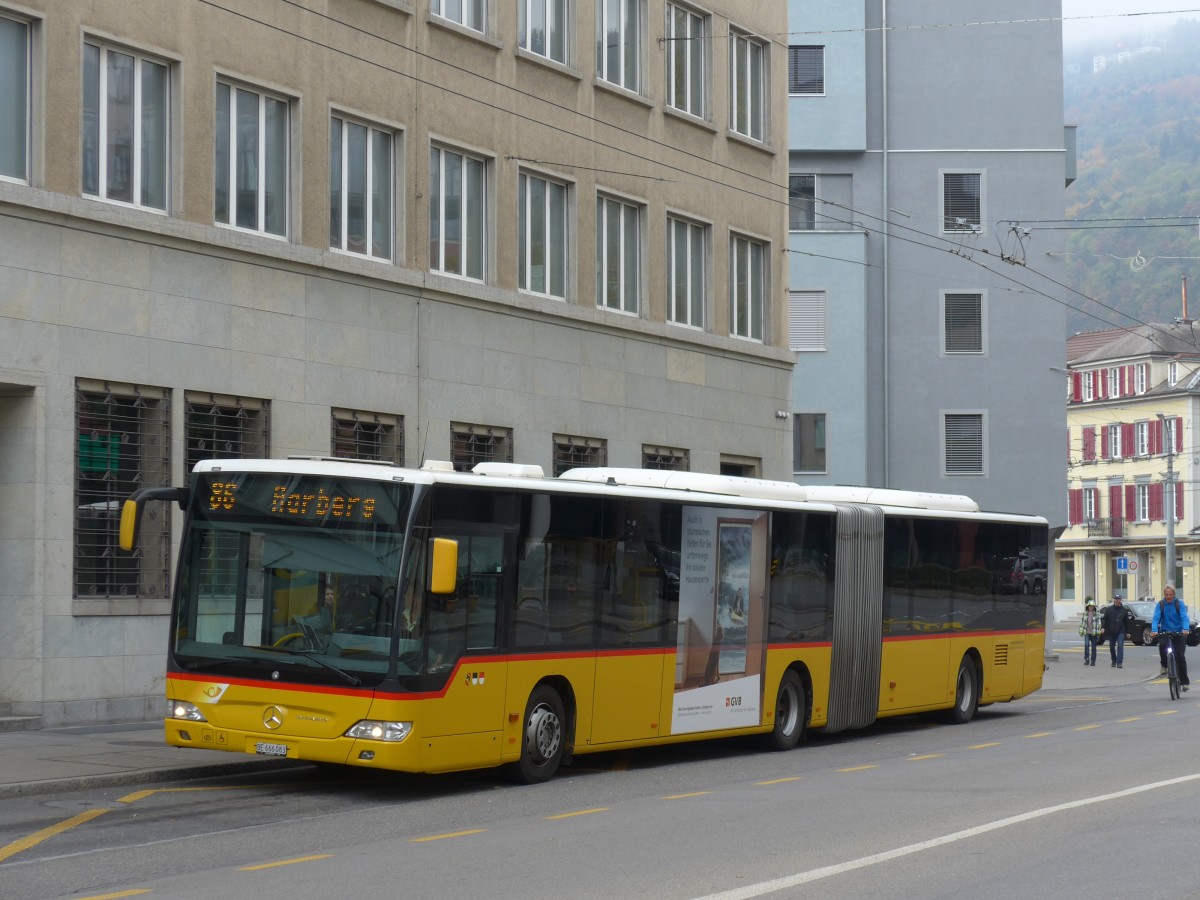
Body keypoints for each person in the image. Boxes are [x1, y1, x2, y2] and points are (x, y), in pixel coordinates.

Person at [1151, 584, 1191, 691]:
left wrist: (1185, 629)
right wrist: (1154, 630)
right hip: (1166, 631)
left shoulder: (1179, 603)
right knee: (1163, 645)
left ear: (1174, 595)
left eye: (1170, 594)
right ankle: (1164, 665)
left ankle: (1184, 682)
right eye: (1166, 594)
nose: (1168, 596)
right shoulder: (1161, 604)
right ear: (1164, 595)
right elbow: (1156, 618)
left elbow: (1184, 617)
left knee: (1180, 657)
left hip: (1179, 632)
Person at [1101, 594, 1134, 668]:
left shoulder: (1124, 610)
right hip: (1111, 631)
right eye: (1116, 599)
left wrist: (1128, 632)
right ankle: (1114, 660)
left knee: (1120, 646)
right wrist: (1103, 627)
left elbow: (1127, 622)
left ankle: (1119, 662)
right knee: (1111, 647)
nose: (1117, 600)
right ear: (1114, 600)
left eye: (1119, 599)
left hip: (1120, 631)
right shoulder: (1109, 609)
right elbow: (1105, 619)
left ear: (1121, 600)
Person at [1078, 599, 1101, 666]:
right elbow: (1082, 623)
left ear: (1094, 607)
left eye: (1092, 606)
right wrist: (1081, 631)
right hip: (1087, 632)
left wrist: (1099, 631)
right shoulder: (1085, 614)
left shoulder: (1097, 615)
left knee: (1094, 647)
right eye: (1089, 606)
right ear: (1087, 607)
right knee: (1086, 645)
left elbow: (1099, 623)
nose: (1091, 607)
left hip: (1094, 633)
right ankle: (1087, 659)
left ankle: (1093, 660)